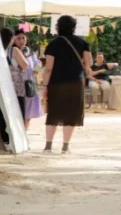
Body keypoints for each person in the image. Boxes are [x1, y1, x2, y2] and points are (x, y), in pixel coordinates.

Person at [41, 15, 94, 155]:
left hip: (56, 82)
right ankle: (65, 147)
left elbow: (48, 68)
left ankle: (48, 146)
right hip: (76, 82)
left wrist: (45, 86)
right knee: (71, 114)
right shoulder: (82, 43)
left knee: (54, 113)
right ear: (74, 27)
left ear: (58, 27)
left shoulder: (53, 44)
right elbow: (89, 63)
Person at [0, 28, 28, 151]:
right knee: (18, 113)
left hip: (2, 87)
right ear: (11, 39)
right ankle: (17, 139)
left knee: (2, 114)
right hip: (16, 88)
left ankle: (5, 140)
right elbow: (25, 65)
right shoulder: (13, 50)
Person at [22, 45, 44, 128]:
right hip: (16, 85)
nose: (21, 41)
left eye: (23, 38)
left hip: (29, 84)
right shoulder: (11, 50)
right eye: (18, 39)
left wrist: (36, 70)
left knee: (28, 112)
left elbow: (39, 65)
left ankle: (24, 130)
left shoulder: (30, 52)